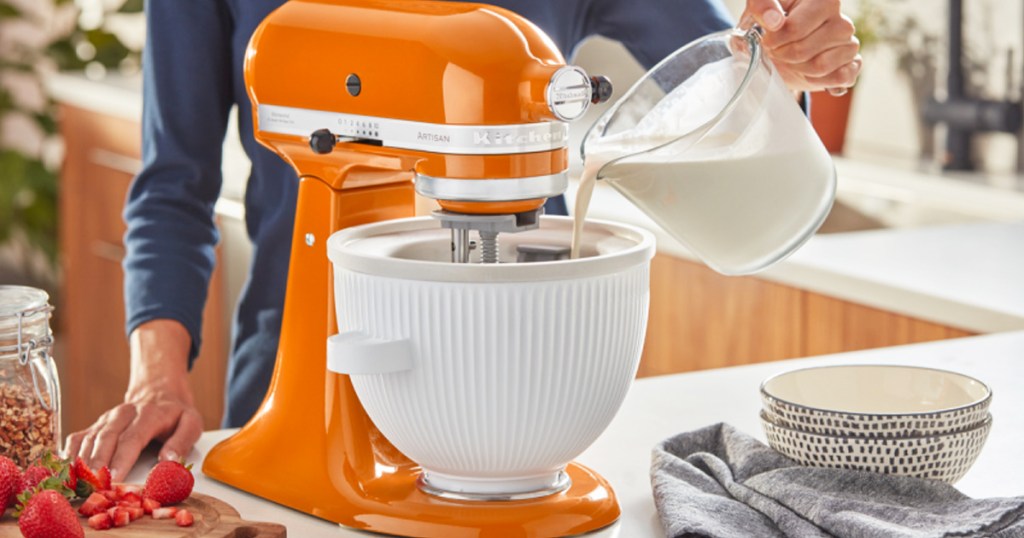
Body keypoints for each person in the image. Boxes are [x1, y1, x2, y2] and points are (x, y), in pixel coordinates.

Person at [66, 0, 861, 482]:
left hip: (525, 382)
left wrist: (787, 52)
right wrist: (157, 381)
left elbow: (717, 80)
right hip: (298, 366)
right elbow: (173, 183)